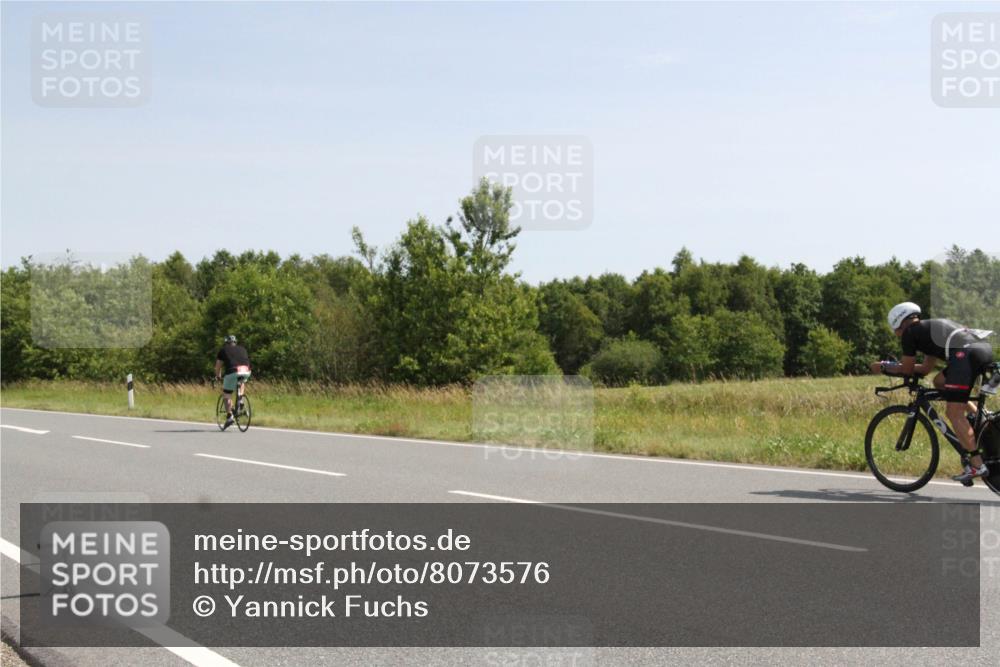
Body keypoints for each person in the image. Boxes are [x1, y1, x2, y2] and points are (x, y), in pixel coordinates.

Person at [870, 302, 994, 484]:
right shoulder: (927, 330)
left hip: (964, 356)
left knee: (953, 412)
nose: (896, 335)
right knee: (939, 382)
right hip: (981, 350)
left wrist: (883, 367)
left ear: (899, 323)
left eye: (894, 330)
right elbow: (926, 368)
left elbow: (906, 368)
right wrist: (898, 368)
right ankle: (981, 417)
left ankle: (976, 464)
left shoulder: (910, 333)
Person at [215, 335, 252, 430]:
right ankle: (240, 398)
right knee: (242, 380)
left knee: (226, 395)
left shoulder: (223, 350)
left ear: (226, 343)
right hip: (246, 370)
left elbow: (218, 366)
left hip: (233, 372)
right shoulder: (242, 348)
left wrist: (218, 376)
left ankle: (229, 416)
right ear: (235, 342)